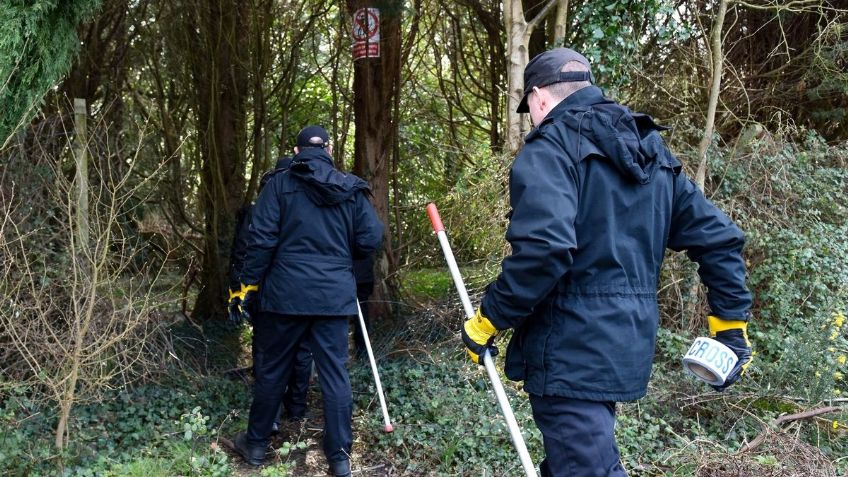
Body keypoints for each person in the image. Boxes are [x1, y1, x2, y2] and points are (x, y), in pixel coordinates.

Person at [460, 48, 754, 477]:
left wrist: (490, 318)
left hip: (569, 348)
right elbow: (720, 238)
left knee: (587, 467)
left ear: (539, 97)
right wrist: (729, 325)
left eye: (530, 109)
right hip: (625, 344)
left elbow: (545, 248)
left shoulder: (551, 148)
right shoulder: (648, 150)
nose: (532, 118)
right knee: (573, 462)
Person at [232, 125, 383, 477]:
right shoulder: (350, 187)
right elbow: (371, 237)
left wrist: (248, 285)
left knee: (272, 370)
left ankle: (255, 444)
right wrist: (343, 255)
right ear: (329, 150)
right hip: (333, 298)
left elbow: (261, 240)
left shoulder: (278, 186)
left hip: (285, 296)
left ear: (297, 152)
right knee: (335, 375)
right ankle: (340, 457)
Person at [227, 156, 314, 430]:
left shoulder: (258, 211)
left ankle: (273, 416)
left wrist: (238, 295)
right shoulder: (305, 207)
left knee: (269, 355)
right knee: (301, 350)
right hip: (298, 293)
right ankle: (295, 409)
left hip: (268, 294)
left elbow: (242, 255)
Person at [352, 255, 375, 360]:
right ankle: (362, 352)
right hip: (360, 273)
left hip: (358, 274)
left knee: (361, 314)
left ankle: (362, 352)